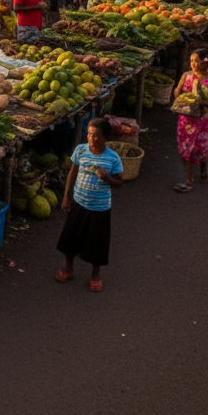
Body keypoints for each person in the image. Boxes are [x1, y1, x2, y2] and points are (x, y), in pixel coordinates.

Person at [56, 118, 123, 291]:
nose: (92, 139)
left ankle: (95, 275)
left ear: (106, 137)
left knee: (97, 243)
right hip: (79, 202)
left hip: (100, 208)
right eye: (89, 134)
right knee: (70, 238)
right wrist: (65, 197)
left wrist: (108, 178)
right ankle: (69, 268)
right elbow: (72, 173)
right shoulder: (81, 151)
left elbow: (119, 183)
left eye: (97, 136)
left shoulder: (112, 158)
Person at [172, 49, 208, 191]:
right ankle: (187, 181)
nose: (193, 64)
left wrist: (200, 102)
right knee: (185, 148)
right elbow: (178, 89)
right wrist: (179, 97)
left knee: (199, 150)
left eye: (196, 61)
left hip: (202, 120)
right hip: (185, 119)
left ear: (206, 63)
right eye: (191, 61)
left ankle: (204, 168)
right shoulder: (186, 75)